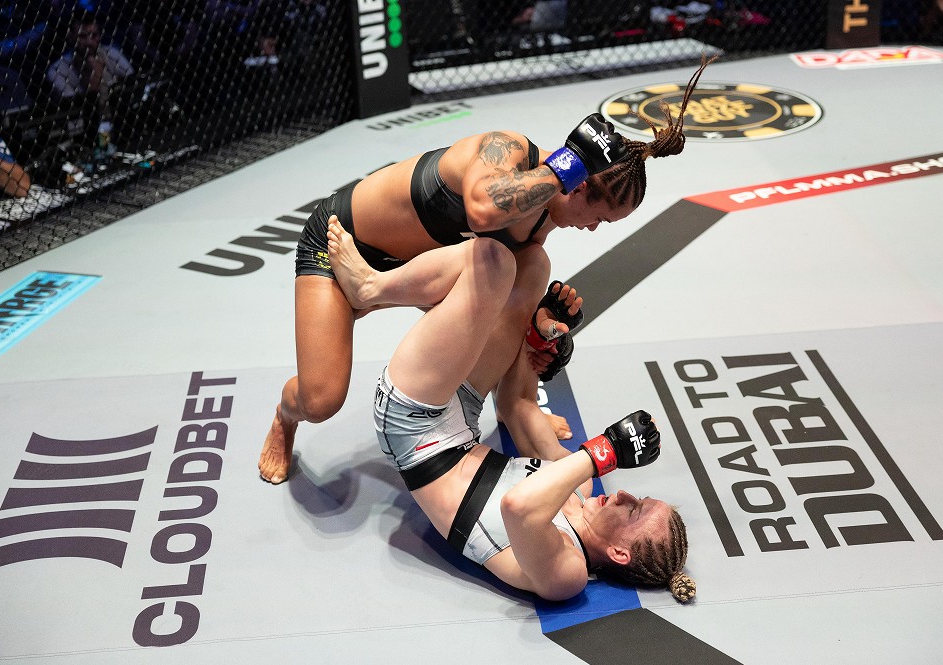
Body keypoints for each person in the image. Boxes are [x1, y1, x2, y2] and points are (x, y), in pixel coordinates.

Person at [257, 56, 717, 485]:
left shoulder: (541, 224)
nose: (593, 228)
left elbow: (498, 307)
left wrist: (538, 333)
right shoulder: (507, 150)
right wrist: (568, 164)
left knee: (531, 268)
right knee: (320, 400)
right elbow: (482, 210)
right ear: (576, 188)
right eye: (598, 217)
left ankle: (511, 407)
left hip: (412, 273)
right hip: (342, 243)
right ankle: (284, 416)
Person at [325, 219, 696, 602]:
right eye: (639, 498)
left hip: (414, 429)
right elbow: (516, 406)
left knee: (490, 265)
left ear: (620, 554)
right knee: (532, 266)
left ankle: (373, 289)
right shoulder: (579, 487)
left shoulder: (567, 573)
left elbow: (518, 507)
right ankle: (390, 289)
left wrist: (606, 451)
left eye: (633, 511)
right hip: (461, 418)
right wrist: (539, 340)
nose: (625, 496)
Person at [45, 12, 135, 107]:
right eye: (82, 36)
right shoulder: (57, 70)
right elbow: (77, 106)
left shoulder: (111, 53)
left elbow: (132, 82)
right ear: (70, 37)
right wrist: (94, 76)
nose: (89, 42)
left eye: (94, 35)